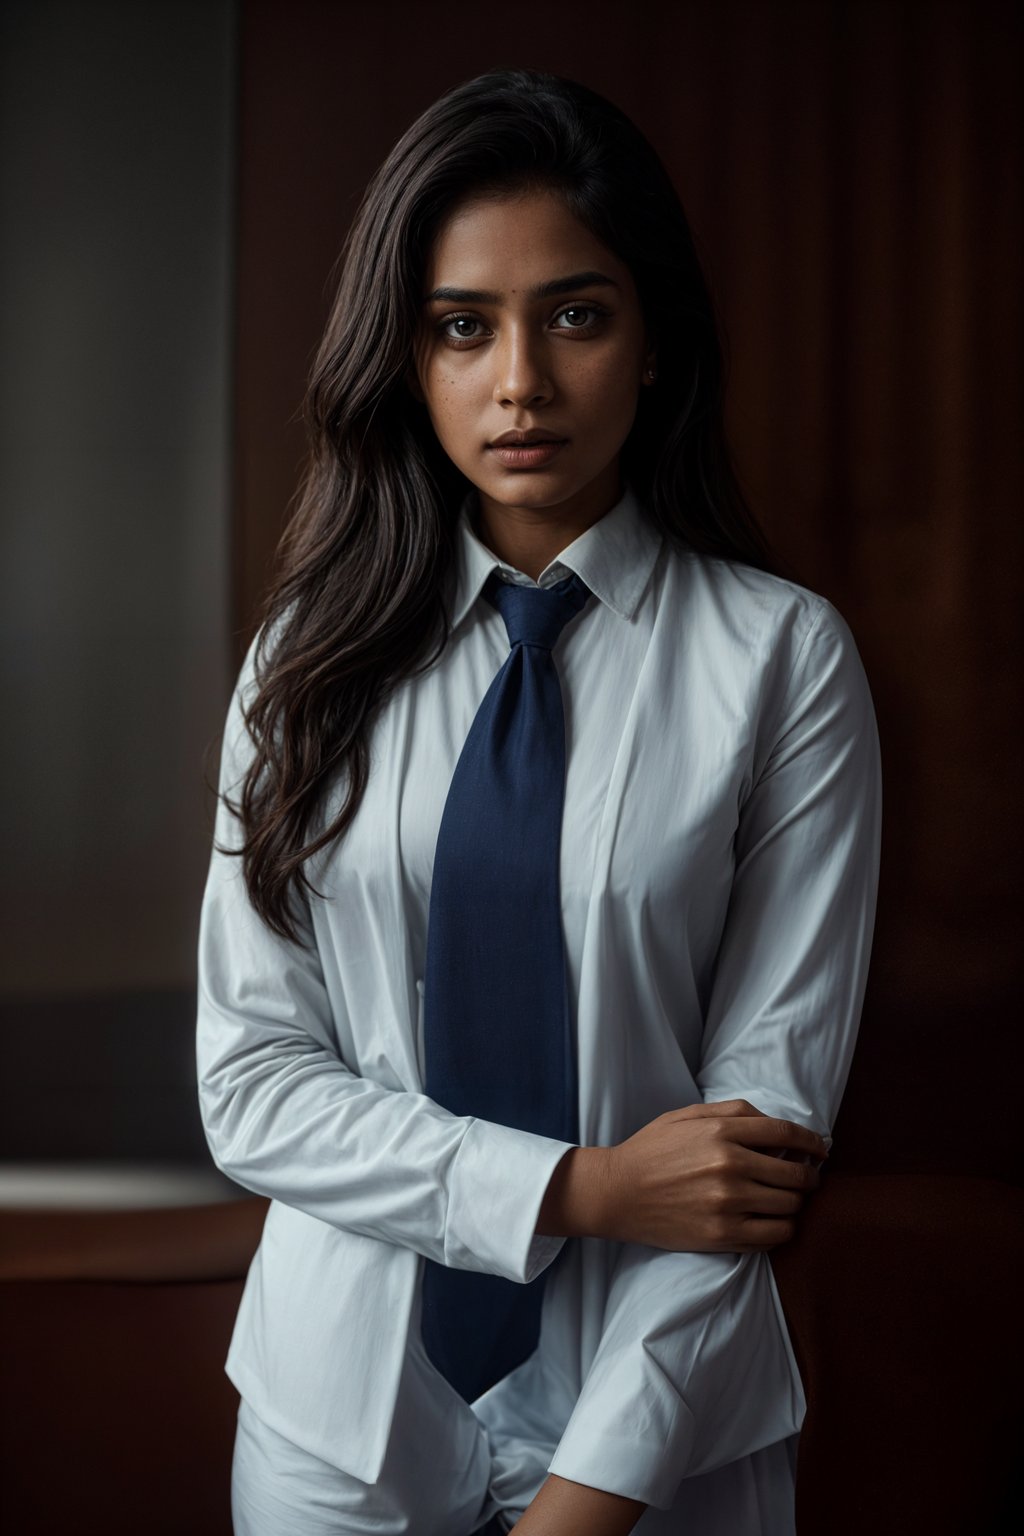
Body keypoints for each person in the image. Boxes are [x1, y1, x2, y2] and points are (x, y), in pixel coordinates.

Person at [196, 66, 881, 1536]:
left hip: (665, 1437)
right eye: (463, 326)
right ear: (408, 356)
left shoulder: (783, 661)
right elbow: (252, 1088)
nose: (521, 381)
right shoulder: (303, 665)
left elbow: (750, 1150)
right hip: (339, 1433)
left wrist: (587, 1499)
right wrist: (578, 1187)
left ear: (652, 345)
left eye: (576, 314)